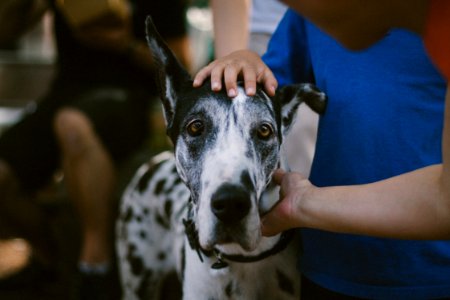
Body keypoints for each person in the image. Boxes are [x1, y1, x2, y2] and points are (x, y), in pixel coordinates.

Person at [193, 0, 450, 298]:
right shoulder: (311, 18)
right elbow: (266, 88)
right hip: (328, 263)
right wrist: (247, 60)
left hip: (434, 272)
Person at [0, 0, 190, 298]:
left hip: (128, 99)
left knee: (71, 123)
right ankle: (50, 259)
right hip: (64, 94)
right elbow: (5, 32)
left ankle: (95, 267)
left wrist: (125, 45)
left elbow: (181, 66)